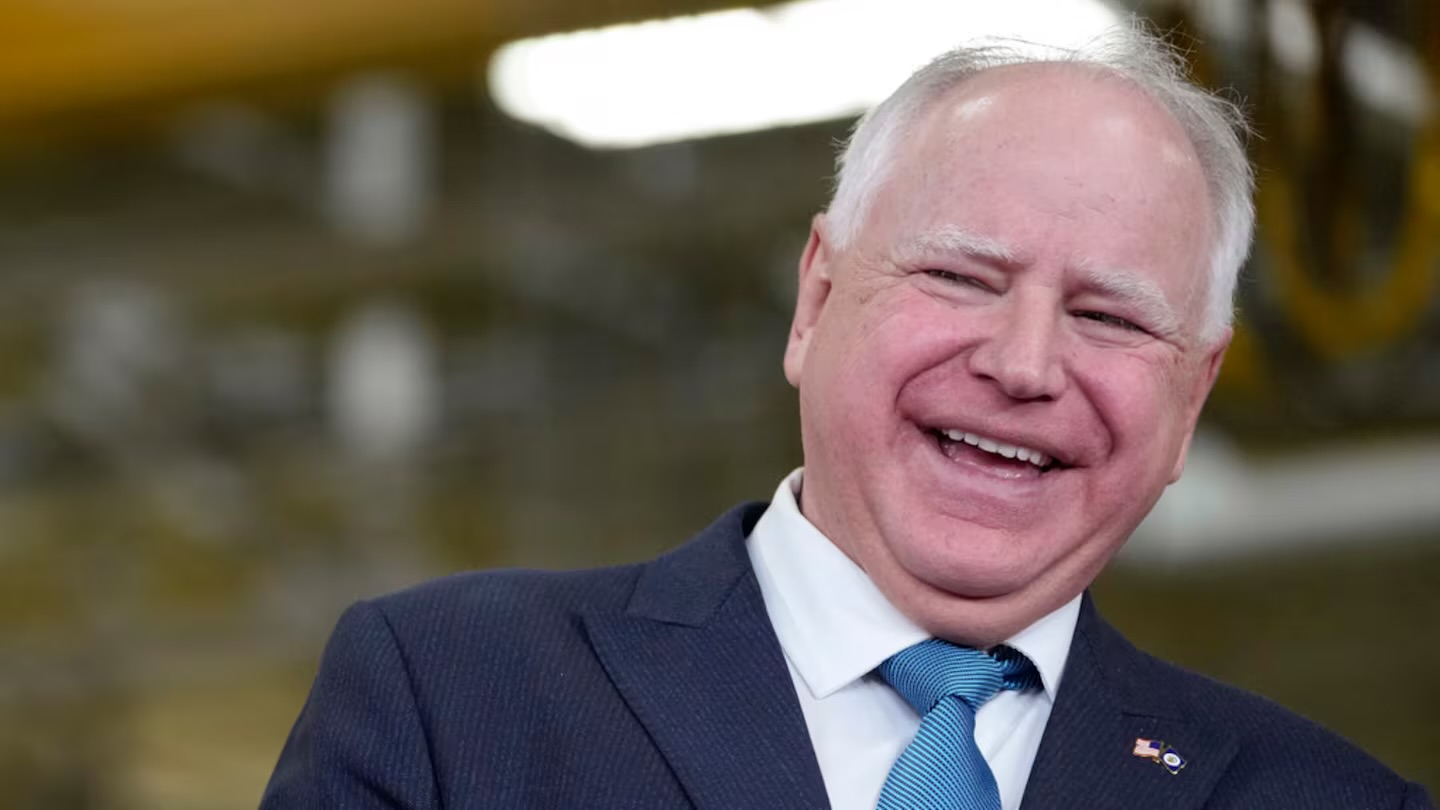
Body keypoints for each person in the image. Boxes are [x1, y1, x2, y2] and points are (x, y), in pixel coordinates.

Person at [261, 25, 1435, 810]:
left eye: (1109, 316)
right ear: (816, 299)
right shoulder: (454, 697)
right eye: (963, 278)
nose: (1025, 364)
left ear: (1191, 401)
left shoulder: (1331, 801)